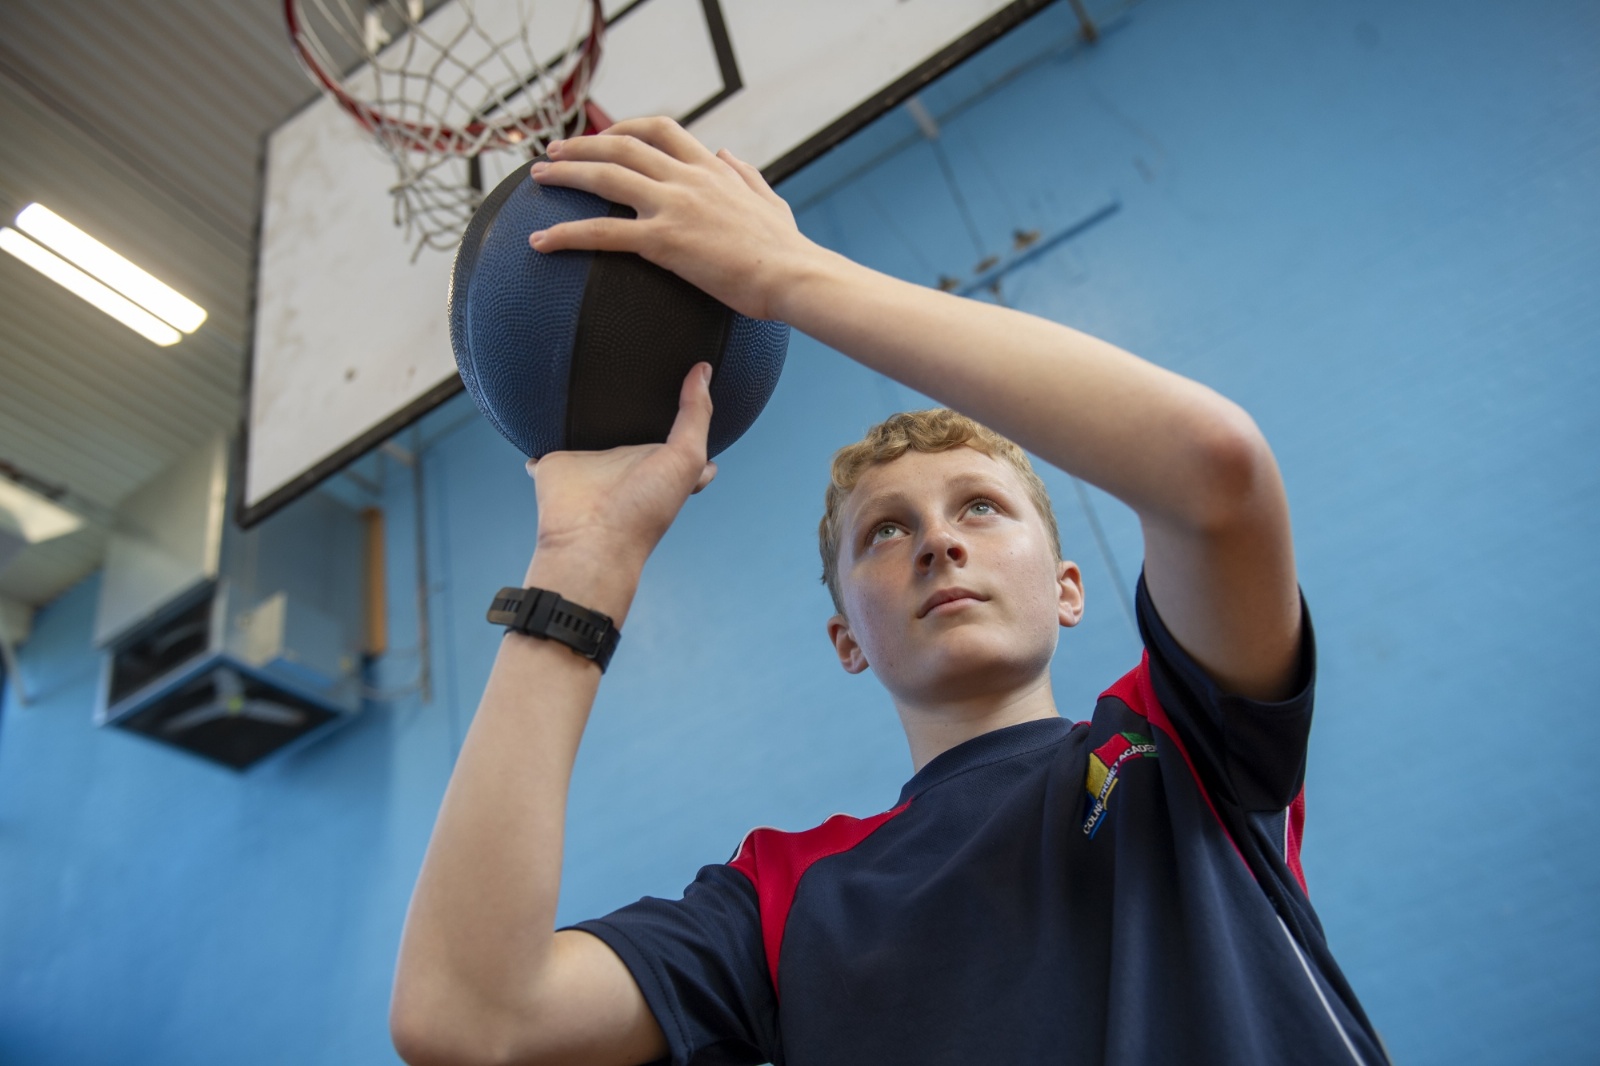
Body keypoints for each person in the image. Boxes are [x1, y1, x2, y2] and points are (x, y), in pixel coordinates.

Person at [389, 117, 1389, 1066]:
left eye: (981, 509)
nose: (938, 543)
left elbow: (1214, 471)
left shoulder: (1178, 745)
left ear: (1068, 587)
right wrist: (579, 563)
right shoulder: (780, 903)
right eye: (885, 531)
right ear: (847, 639)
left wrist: (786, 274)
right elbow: (465, 1017)